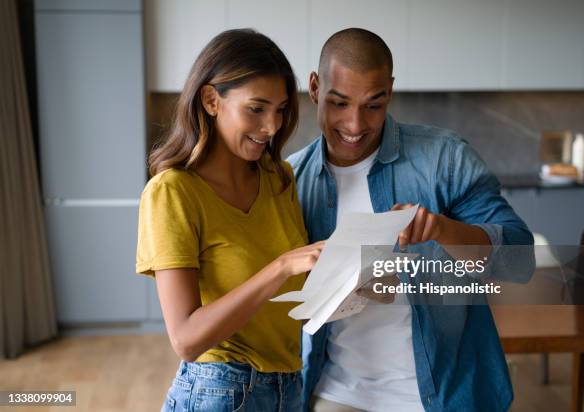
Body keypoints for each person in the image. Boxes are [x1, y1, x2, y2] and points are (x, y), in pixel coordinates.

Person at [287, 28, 534, 412]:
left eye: (373, 104)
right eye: (339, 103)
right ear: (315, 88)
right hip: (338, 389)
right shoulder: (290, 181)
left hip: (446, 392)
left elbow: (520, 260)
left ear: (390, 91)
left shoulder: (444, 159)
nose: (355, 125)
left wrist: (440, 228)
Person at [136, 29, 324, 412]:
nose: (271, 127)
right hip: (220, 390)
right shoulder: (172, 192)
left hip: (289, 387)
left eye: (281, 109)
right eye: (256, 109)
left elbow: (298, 300)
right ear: (211, 100)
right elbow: (186, 339)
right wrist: (282, 266)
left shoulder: (279, 179)